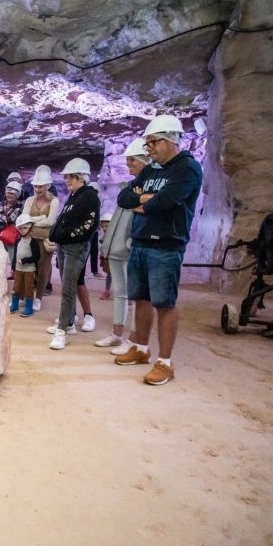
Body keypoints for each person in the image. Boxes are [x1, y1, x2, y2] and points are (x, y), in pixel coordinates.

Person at [116, 115, 202, 385]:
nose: (149, 148)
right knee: (141, 298)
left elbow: (166, 201)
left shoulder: (186, 168)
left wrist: (144, 201)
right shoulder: (151, 169)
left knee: (165, 303)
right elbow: (124, 198)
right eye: (148, 143)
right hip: (141, 240)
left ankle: (165, 362)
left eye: (153, 142)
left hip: (166, 243)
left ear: (171, 140)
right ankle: (141, 348)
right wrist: (144, 199)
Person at [95, 138, 151, 351]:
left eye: (132, 160)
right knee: (120, 292)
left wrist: (130, 242)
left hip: (129, 249)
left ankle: (133, 339)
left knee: (136, 296)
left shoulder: (147, 187)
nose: (128, 164)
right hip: (116, 247)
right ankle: (117, 333)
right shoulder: (131, 186)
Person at [46, 158, 100, 350]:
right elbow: (65, 219)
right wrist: (56, 234)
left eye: (70, 176)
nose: (67, 180)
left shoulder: (89, 197)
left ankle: (61, 331)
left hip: (75, 247)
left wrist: (67, 235)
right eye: (67, 176)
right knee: (66, 284)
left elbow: (89, 225)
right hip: (64, 246)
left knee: (69, 287)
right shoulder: (74, 196)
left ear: (81, 177)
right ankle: (68, 323)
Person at [21, 166, 60, 312]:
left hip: (44, 239)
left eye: (40, 186)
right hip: (29, 239)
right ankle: (28, 296)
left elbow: (51, 221)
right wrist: (39, 218)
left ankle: (39, 298)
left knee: (43, 270)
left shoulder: (54, 201)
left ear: (47, 186)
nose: (37, 189)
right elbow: (24, 219)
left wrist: (32, 220)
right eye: (36, 186)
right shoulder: (29, 200)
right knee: (28, 268)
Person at [9, 214, 40, 318]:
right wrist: (13, 268)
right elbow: (15, 256)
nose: (22, 231)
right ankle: (14, 305)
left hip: (29, 270)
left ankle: (29, 307)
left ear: (31, 228)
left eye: (25, 228)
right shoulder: (18, 241)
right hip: (18, 269)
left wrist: (25, 260)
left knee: (29, 288)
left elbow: (37, 256)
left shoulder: (34, 242)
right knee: (16, 287)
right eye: (20, 228)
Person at [0, 180, 24, 268]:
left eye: (12, 194)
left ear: (17, 195)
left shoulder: (20, 205)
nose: (9, 195)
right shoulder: (0, 204)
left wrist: (1, 220)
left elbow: (13, 218)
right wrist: (0, 221)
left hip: (12, 236)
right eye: (8, 193)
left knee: (12, 256)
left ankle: (14, 273)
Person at [98, 212, 113, 300]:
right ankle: (107, 291)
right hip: (107, 259)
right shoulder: (103, 237)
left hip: (115, 258)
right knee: (109, 275)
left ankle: (127, 296)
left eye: (106, 226)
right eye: (103, 226)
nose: (104, 228)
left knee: (123, 277)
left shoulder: (115, 235)